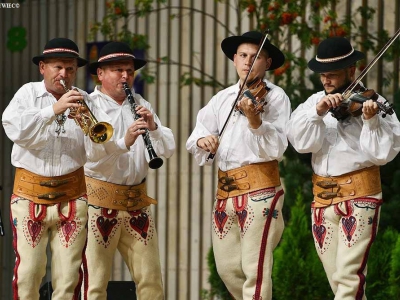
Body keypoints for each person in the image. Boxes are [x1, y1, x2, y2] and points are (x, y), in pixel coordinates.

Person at [286, 37, 400, 299]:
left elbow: (383, 154)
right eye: (323, 75)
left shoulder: (372, 102)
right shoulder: (314, 102)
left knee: (349, 278)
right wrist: (317, 113)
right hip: (322, 199)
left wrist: (371, 122)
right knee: (338, 280)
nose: (326, 81)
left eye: (333, 75)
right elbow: (301, 143)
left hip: (360, 196)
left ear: (352, 70)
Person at [186, 31, 291, 300]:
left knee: (254, 269)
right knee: (227, 268)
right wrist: (203, 141)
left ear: (266, 64)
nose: (247, 62)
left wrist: (255, 121)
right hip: (225, 192)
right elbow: (195, 136)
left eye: (255, 57)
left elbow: (277, 147)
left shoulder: (276, 97)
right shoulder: (221, 98)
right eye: (243, 56)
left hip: (262, 190)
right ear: (234, 59)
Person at [81, 41, 175, 299]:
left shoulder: (142, 103)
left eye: (130, 71)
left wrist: (153, 126)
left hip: (137, 203)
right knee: (94, 282)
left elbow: (168, 149)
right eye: (118, 70)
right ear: (100, 73)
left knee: (151, 281)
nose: (126, 76)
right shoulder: (89, 105)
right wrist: (125, 142)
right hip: (98, 203)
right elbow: (89, 155)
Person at [2, 38, 91, 300]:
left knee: (69, 277)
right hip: (29, 195)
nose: (65, 74)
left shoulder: (83, 99)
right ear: (43, 67)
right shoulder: (27, 94)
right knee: (29, 273)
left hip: (73, 195)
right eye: (58, 67)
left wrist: (87, 124)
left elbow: (98, 149)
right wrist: (53, 109)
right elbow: (15, 130)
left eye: (71, 69)